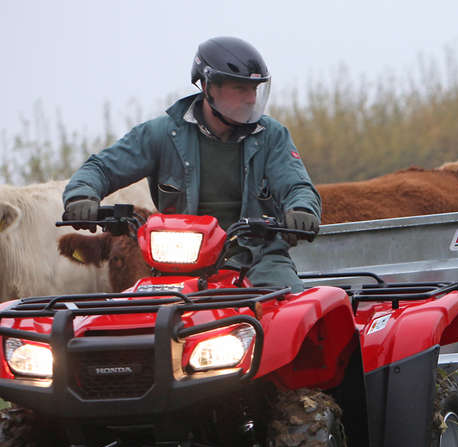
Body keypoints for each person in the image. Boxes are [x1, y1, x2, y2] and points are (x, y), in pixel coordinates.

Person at [62, 36, 321, 292]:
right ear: (208, 86)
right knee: (143, 312)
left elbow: (296, 185)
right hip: (180, 260)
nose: (252, 99)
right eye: (240, 88)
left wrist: (301, 209)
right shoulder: (162, 134)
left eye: (254, 89)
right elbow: (102, 168)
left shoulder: (271, 135)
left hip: (259, 257)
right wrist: (82, 195)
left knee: (291, 307)